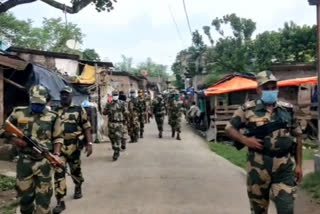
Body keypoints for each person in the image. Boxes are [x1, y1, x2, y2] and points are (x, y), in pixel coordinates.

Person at [225, 71, 303, 214]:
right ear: (258, 90)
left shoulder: (287, 109)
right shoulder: (247, 109)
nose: (271, 91)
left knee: (287, 209)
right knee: (258, 210)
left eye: (273, 87)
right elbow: (229, 128)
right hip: (258, 167)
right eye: (266, 88)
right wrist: (245, 140)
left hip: (284, 167)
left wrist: (298, 165)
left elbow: (298, 136)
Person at [0, 85, 63, 214]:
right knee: (25, 199)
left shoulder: (53, 116)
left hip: (44, 162)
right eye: (35, 103)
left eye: (41, 104)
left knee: (44, 200)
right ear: (30, 100)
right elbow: (3, 129)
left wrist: (56, 154)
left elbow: (58, 138)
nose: (38, 106)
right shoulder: (18, 112)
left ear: (46, 101)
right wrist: (15, 140)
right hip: (25, 162)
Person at [53, 86, 93, 214]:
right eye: (62, 94)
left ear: (71, 96)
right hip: (59, 148)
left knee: (75, 169)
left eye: (67, 94)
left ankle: (78, 186)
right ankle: (60, 201)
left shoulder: (78, 109)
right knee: (59, 173)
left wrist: (89, 143)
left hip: (74, 146)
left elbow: (86, 127)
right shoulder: (55, 111)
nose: (64, 96)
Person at [103, 90, 128, 161]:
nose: (115, 96)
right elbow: (104, 113)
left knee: (117, 138)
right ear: (112, 96)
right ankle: (116, 148)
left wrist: (125, 120)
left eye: (116, 95)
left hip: (119, 123)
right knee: (111, 138)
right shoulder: (109, 104)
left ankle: (116, 152)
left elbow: (126, 112)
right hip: (111, 124)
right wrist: (106, 109)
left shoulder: (122, 103)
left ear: (118, 96)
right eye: (114, 95)